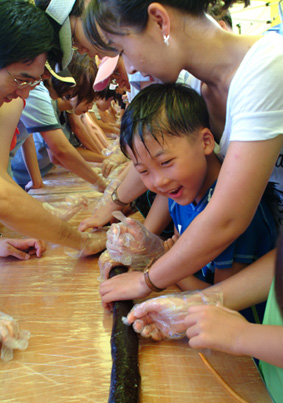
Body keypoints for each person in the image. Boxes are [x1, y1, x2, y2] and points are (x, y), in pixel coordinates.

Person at [82, 0, 283, 307]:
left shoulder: (268, 68)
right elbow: (158, 172)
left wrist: (146, 280)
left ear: (160, 20)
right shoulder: (191, 83)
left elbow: (227, 219)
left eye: (120, 48)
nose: (130, 67)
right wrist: (128, 227)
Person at [101, 83, 277, 302]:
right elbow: (177, 241)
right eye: (143, 171)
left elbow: (220, 300)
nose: (159, 182)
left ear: (206, 142)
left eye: (166, 162)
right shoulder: (180, 194)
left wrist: (162, 264)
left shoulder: (234, 211)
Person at [0, 0, 105, 256]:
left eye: (33, 83)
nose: (23, 93)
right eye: (21, 79)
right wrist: (82, 242)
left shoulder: (9, 101)